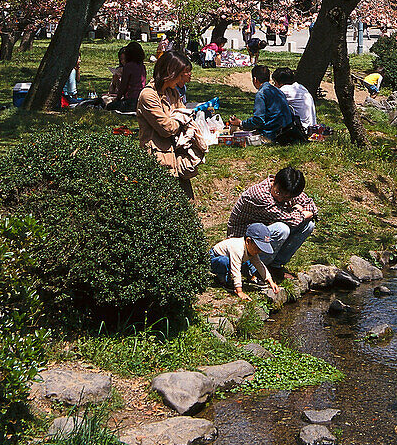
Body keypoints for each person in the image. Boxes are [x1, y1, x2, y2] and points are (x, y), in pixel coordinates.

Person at [137, 51, 208, 200]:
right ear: (170, 72)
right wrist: (180, 120)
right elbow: (166, 128)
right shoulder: (148, 95)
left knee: (187, 203)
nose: (184, 79)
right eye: (181, 74)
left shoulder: (173, 93)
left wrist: (181, 119)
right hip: (159, 159)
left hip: (178, 158)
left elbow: (186, 118)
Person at [227, 167, 318, 277]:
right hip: (243, 240)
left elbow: (311, 206)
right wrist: (300, 210)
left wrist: (303, 211)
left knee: (308, 225)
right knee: (282, 229)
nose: (280, 199)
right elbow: (293, 219)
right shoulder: (260, 195)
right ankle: (252, 268)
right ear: (274, 180)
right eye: (278, 193)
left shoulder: (288, 190)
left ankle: (274, 266)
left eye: (287, 197)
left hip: (263, 231)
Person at [229, 64, 301, 143]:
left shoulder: (261, 94)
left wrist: (241, 123)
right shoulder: (278, 91)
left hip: (272, 134)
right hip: (286, 131)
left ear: (255, 79)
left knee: (235, 131)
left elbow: (259, 120)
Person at [210, 222, 278, 300]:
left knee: (249, 262)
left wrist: (270, 281)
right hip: (216, 258)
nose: (259, 251)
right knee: (224, 261)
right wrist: (239, 291)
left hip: (232, 259)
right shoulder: (237, 248)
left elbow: (259, 264)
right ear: (248, 241)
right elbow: (235, 269)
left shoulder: (251, 249)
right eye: (258, 248)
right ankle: (222, 280)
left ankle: (252, 277)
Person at [271, 67, 317, 132]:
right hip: (312, 127)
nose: (274, 85)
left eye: (275, 82)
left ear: (280, 83)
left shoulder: (284, 90)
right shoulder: (300, 87)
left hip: (302, 130)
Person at [108, 40, 146, 111]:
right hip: (141, 99)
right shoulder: (142, 66)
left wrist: (117, 99)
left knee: (109, 106)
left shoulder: (128, 66)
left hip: (130, 101)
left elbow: (123, 85)